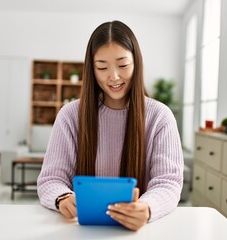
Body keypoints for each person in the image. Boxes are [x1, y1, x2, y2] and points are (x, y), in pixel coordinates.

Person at [37, 20, 183, 231]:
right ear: (91, 69)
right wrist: (63, 197)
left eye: (123, 65)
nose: (113, 76)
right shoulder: (69, 115)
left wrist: (147, 207)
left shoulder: (160, 116)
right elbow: (51, 179)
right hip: (79, 229)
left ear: (136, 63)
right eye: (102, 67)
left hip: (139, 231)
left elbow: (168, 182)